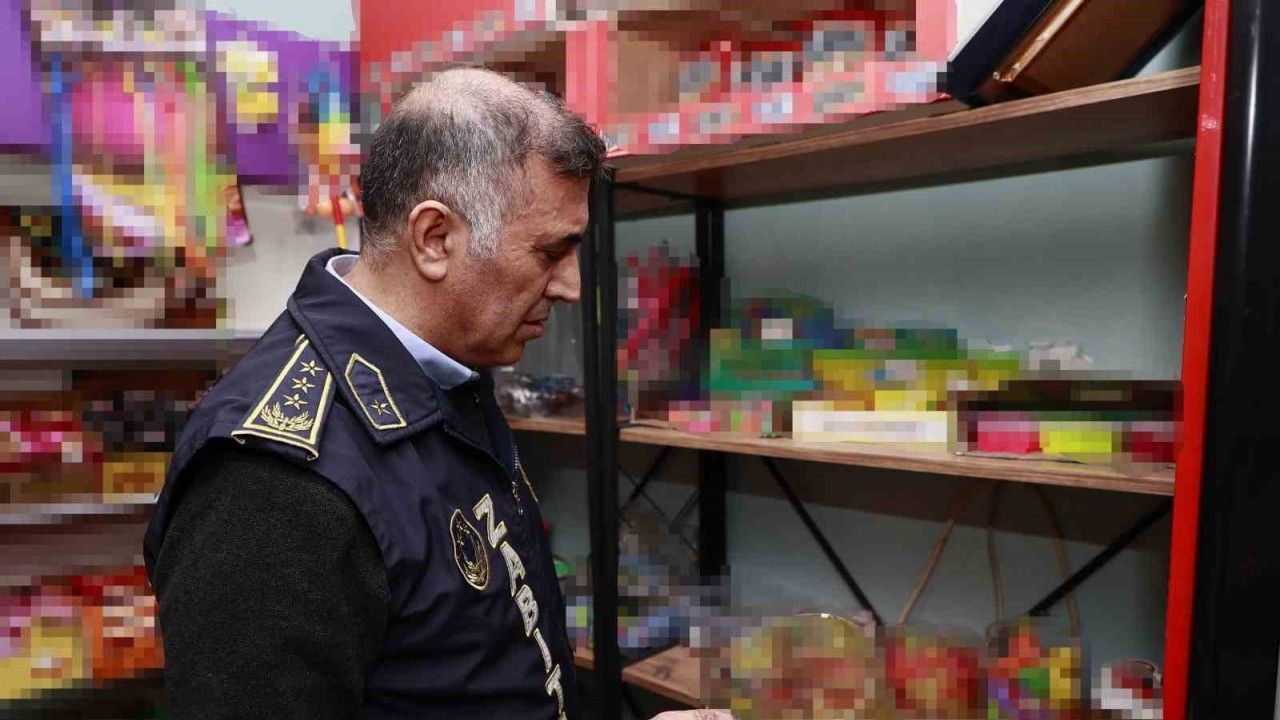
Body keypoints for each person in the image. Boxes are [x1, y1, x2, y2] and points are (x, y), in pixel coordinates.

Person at [143, 67, 732, 720]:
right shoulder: (275, 483)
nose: (571, 286)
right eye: (549, 253)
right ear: (435, 239)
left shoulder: (446, 371)